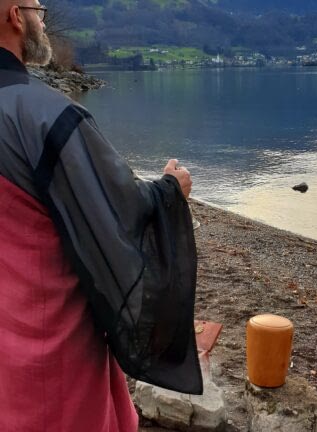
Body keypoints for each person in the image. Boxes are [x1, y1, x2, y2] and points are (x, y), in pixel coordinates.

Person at [0, 1, 202, 431]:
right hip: (48, 354)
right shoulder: (43, 115)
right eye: (36, 7)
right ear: (15, 17)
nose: (42, 17)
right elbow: (119, 210)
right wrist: (170, 190)